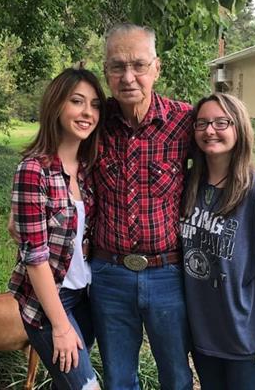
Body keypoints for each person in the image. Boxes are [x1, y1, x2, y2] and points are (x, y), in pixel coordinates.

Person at [88, 23, 194, 389]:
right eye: (117, 66)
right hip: (109, 273)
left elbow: (227, 158)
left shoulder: (184, 121)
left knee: (176, 375)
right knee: (118, 378)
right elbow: (54, 152)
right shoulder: (93, 122)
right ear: (106, 72)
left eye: (139, 65)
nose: (128, 77)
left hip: (168, 272)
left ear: (157, 68)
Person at [180, 93, 255, 389]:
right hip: (205, 334)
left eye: (221, 122)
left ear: (240, 128)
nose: (210, 130)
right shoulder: (188, 184)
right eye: (202, 123)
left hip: (249, 337)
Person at [8, 67, 106, 390]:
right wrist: (61, 326)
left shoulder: (88, 168)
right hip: (49, 304)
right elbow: (35, 259)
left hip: (85, 295)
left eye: (94, 105)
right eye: (77, 101)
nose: (87, 112)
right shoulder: (33, 170)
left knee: (67, 383)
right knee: (86, 386)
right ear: (56, 105)